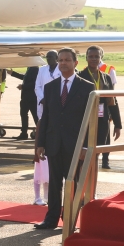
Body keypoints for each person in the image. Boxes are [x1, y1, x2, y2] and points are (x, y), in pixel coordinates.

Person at [34, 48, 93, 229]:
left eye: (67, 60)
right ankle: (51, 219)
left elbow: (90, 120)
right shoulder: (50, 87)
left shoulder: (87, 87)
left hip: (75, 145)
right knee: (54, 183)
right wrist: (40, 143)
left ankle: (69, 217)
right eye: (60, 60)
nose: (63, 63)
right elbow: (46, 117)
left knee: (72, 183)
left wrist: (86, 147)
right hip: (53, 143)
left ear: (75, 63)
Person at [80, 46, 120, 168]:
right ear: (86, 58)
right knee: (84, 154)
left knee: (98, 150)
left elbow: (112, 101)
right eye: (91, 56)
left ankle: (93, 181)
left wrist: (117, 124)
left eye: (96, 56)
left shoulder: (106, 77)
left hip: (102, 119)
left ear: (101, 58)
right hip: (84, 120)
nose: (93, 59)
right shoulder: (79, 77)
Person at [30, 51, 60, 205]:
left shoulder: (61, 70)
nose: (49, 59)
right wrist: (44, 99)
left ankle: (47, 197)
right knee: (40, 166)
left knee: (48, 168)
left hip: (55, 110)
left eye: (52, 57)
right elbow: (37, 87)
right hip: (42, 108)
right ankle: (37, 197)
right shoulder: (41, 70)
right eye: (47, 57)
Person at [16, 62, 42, 140]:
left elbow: (34, 83)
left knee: (35, 116)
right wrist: (13, 73)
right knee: (24, 115)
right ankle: (24, 133)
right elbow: (25, 77)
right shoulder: (30, 68)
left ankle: (40, 133)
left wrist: (23, 86)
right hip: (25, 97)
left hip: (31, 97)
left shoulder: (35, 69)